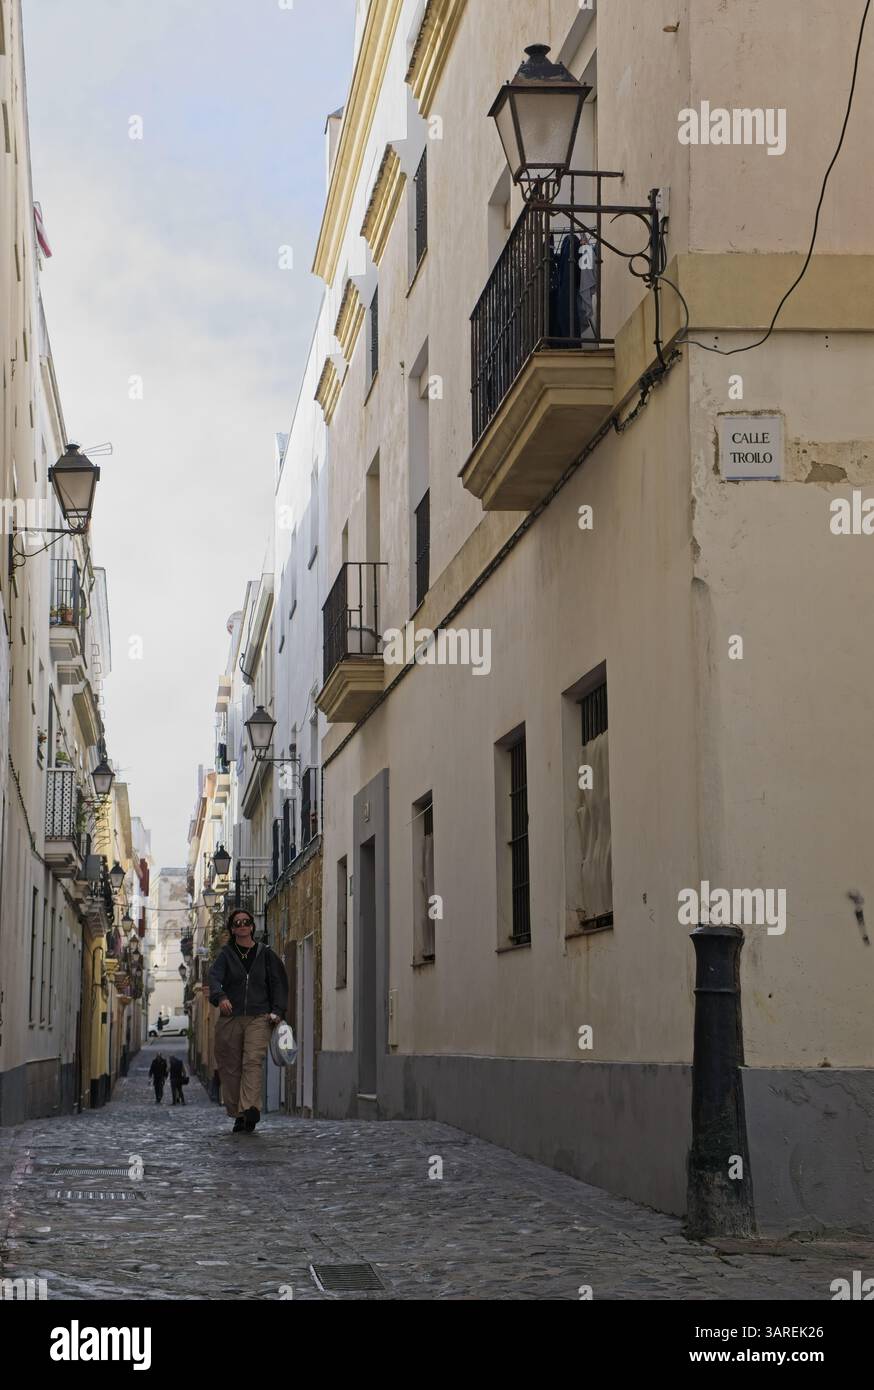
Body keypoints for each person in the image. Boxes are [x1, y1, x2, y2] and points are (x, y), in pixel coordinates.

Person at [208, 908, 289, 1133]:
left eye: (246, 922)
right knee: (230, 1067)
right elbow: (214, 978)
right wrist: (220, 996)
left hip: (258, 1016)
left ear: (252, 927)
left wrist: (277, 1011)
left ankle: (251, 1108)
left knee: (252, 1061)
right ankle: (238, 1112)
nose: (242, 926)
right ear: (232, 929)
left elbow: (278, 984)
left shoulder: (266, 954)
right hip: (230, 1017)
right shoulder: (225, 955)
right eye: (238, 923)